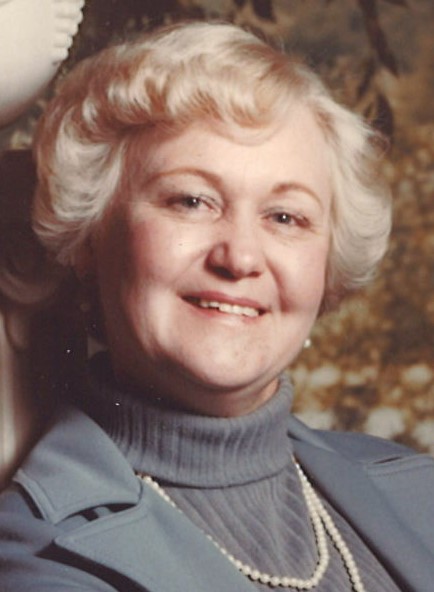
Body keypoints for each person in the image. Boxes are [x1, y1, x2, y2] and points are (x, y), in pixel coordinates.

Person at [0, 20, 433, 592]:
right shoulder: (40, 557)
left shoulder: (420, 492)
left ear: (327, 268)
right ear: (89, 239)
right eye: (191, 201)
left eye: (286, 217)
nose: (240, 256)